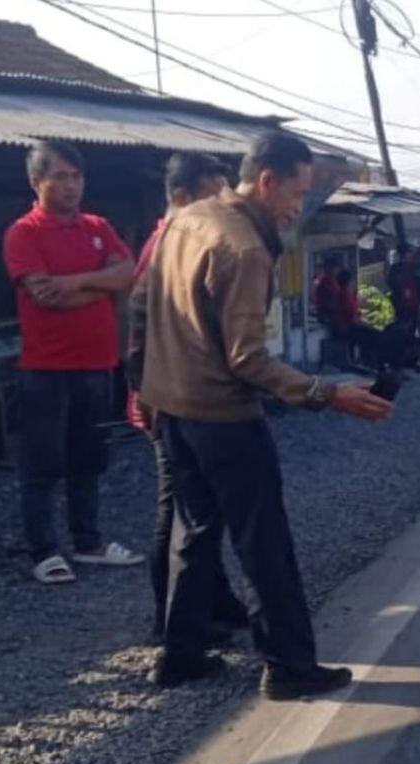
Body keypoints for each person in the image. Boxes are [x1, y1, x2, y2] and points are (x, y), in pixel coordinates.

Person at [137, 132, 394, 697]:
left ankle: (179, 654)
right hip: (223, 418)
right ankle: (288, 665)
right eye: (296, 194)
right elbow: (248, 358)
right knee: (264, 543)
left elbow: (140, 305)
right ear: (268, 180)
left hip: (173, 412)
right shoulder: (245, 249)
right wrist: (328, 393)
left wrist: (144, 384)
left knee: (194, 534)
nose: (298, 208)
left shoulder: (186, 218)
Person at [3, 140, 144, 585]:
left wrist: (77, 282)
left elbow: (130, 272)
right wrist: (102, 284)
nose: (70, 185)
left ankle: (88, 542)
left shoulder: (98, 225)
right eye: (59, 177)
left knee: (89, 460)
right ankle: (44, 551)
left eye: (76, 176)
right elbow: (46, 297)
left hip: (98, 364)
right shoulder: (23, 233)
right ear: (36, 182)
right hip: (45, 370)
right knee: (41, 466)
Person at [125, 152, 246, 641]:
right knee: (179, 513)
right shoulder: (166, 244)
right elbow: (137, 329)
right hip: (168, 399)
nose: (221, 206)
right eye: (210, 196)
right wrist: (147, 395)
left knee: (202, 510)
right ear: (180, 198)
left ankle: (213, 603)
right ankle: (170, 622)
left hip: (180, 396)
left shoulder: (189, 239)